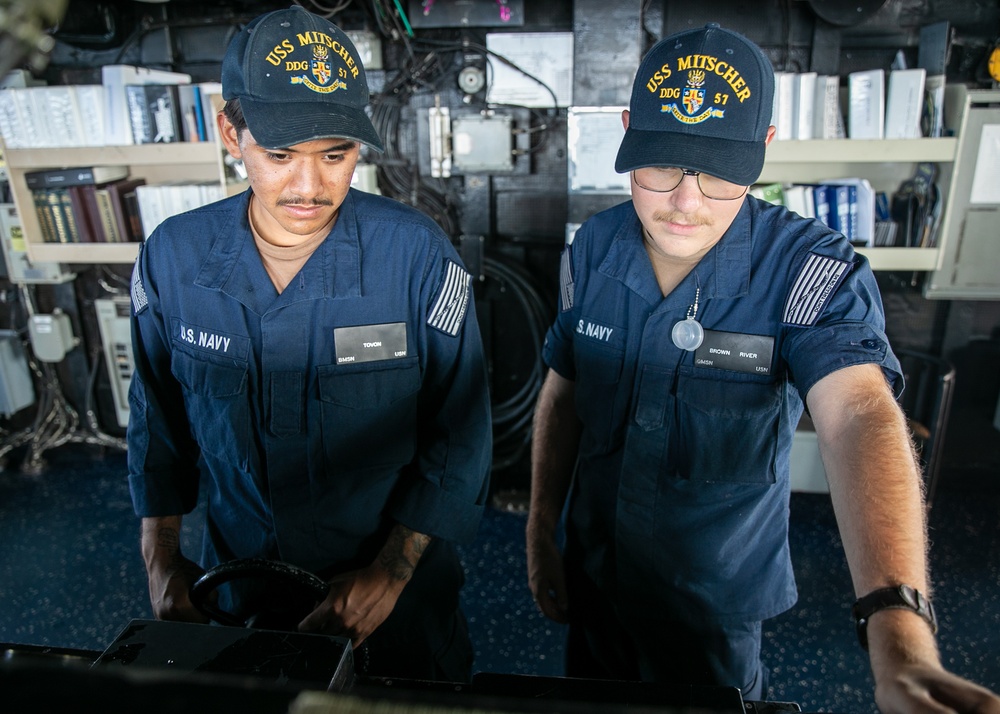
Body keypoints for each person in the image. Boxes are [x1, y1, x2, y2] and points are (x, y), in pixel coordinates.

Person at [526, 22, 1000, 713]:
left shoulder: (809, 270)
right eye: (661, 166)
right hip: (596, 568)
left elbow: (858, 416)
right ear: (628, 133)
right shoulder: (592, 248)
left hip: (712, 599)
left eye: (720, 172)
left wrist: (898, 628)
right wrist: (541, 527)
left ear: (763, 150)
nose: (686, 201)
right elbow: (565, 389)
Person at [127, 5, 492, 683]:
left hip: (397, 602)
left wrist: (392, 570)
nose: (309, 187)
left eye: (335, 154)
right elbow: (157, 420)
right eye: (279, 155)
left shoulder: (417, 258)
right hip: (243, 591)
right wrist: (161, 557)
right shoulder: (172, 259)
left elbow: (461, 430)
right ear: (231, 132)